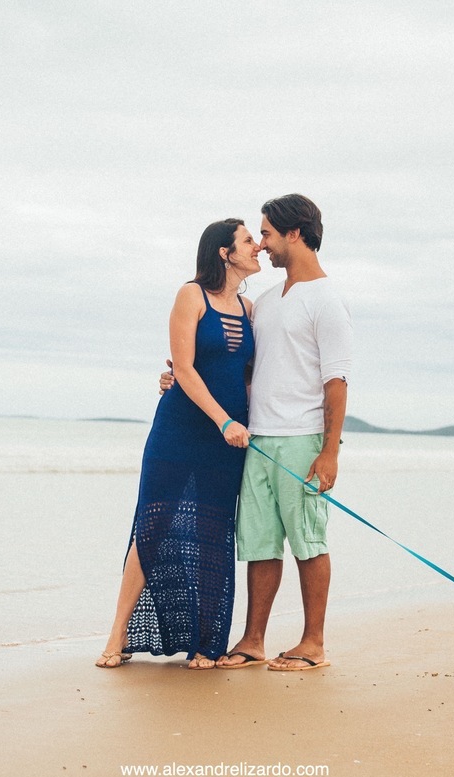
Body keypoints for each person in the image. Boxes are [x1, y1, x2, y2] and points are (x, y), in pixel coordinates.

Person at [162, 194, 353, 672]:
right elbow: (240, 370)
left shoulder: (326, 300)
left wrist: (329, 452)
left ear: (294, 233)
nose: (262, 244)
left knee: (308, 540)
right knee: (261, 542)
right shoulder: (265, 303)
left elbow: (337, 383)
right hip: (258, 438)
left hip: (302, 438)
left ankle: (313, 644)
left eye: (266, 233)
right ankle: (253, 639)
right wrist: (178, 378)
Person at [96, 218, 261, 670]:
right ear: (224, 253)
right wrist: (223, 419)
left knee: (213, 531)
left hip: (229, 439)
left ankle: (208, 643)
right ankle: (117, 634)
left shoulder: (249, 310)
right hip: (182, 430)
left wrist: (247, 424)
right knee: (152, 525)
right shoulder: (191, 295)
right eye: (249, 241)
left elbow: (248, 377)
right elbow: (184, 369)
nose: (257, 247)